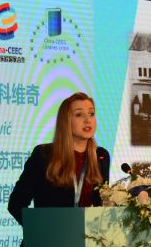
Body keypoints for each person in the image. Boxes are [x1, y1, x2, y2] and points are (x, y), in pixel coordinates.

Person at [8, 92, 110, 224]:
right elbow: (16, 204)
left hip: (90, 236)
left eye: (91, 114)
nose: (87, 120)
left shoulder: (101, 156)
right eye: (79, 114)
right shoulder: (44, 155)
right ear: (66, 121)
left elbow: (100, 204)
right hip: (52, 235)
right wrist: (38, 230)